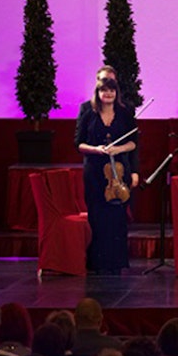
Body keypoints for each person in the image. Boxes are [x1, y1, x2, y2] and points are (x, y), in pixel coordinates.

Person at [74, 75, 138, 275]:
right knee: (98, 216)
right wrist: (96, 149)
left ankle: (116, 262)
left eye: (111, 90)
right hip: (95, 172)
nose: (108, 94)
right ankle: (98, 262)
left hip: (119, 172)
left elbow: (133, 142)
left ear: (116, 93)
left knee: (118, 217)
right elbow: (78, 144)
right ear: (98, 93)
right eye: (104, 90)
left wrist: (118, 149)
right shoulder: (89, 115)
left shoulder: (125, 114)